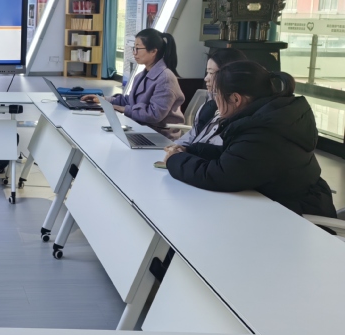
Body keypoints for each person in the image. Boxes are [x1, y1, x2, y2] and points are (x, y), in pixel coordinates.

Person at [165, 61, 336, 217]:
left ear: (236, 99)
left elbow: (219, 176)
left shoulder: (264, 131)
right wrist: (191, 150)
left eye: (217, 94)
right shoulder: (268, 116)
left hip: (295, 217)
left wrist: (174, 159)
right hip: (279, 204)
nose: (214, 100)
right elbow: (236, 156)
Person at [84, 28, 184, 140]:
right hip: (140, 128)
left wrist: (121, 109)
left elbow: (154, 114)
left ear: (153, 51)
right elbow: (130, 100)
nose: (134, 52)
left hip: (159, 136)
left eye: (138, 48)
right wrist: (103, 100)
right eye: (134, 48)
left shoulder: (165, 78)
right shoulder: (141, 75)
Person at [169, 48, 247, 150]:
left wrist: (183, 153)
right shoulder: (209, 105)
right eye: (207, 72)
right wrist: (174, 148)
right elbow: (193, 135)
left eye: (211, 73)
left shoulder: (234, 117)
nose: (206, 78)